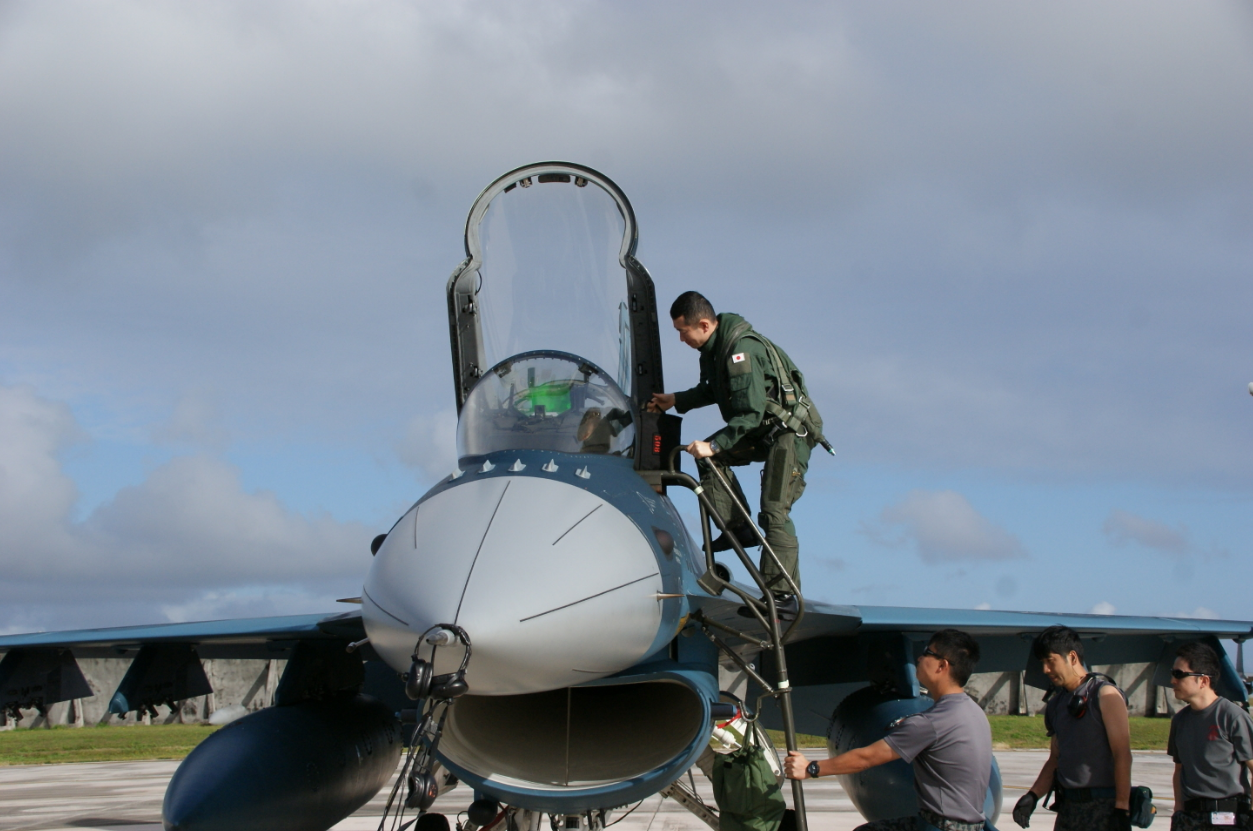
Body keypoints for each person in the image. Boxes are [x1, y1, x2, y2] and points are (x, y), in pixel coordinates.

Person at [647, 291, 825, 611]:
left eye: (682, 331)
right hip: (763, 431)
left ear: (703, 325)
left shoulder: (739, 351)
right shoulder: (714, 349)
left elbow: (750, 413)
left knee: (773, 510)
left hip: (788, 434)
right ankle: (738, 530)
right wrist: (675, 400)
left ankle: (782, 597)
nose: (680, 339)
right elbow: (711, 390)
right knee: (708, 458)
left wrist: (714, 444)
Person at [783, 629, 992, 831]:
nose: (919, 658)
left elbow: (867, 758)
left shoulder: (931, 722)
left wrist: (811, 768)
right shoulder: (975, 712)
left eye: (928, 652)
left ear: (942, 666)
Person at [1013, 626, 1132, 831]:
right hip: (1068, 809)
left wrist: (1122, 808)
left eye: (1051, 661)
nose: (1045, 670)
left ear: (1072, 657)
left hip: (1103, 807)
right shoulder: (1056, 705)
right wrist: (1032, 796)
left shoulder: (1104, 695)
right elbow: (1055, 760)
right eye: (1043, 663)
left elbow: (1122, 754)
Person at [1166, 641, 1253, 831]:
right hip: (1191, 819)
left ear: (1203, 681)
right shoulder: (1180, 721)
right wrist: (1178, 812)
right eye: (1173, 674)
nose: (1173, 681)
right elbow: (1179, 770)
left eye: (1179, 674)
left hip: (1230, 819)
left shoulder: (1233, 716)